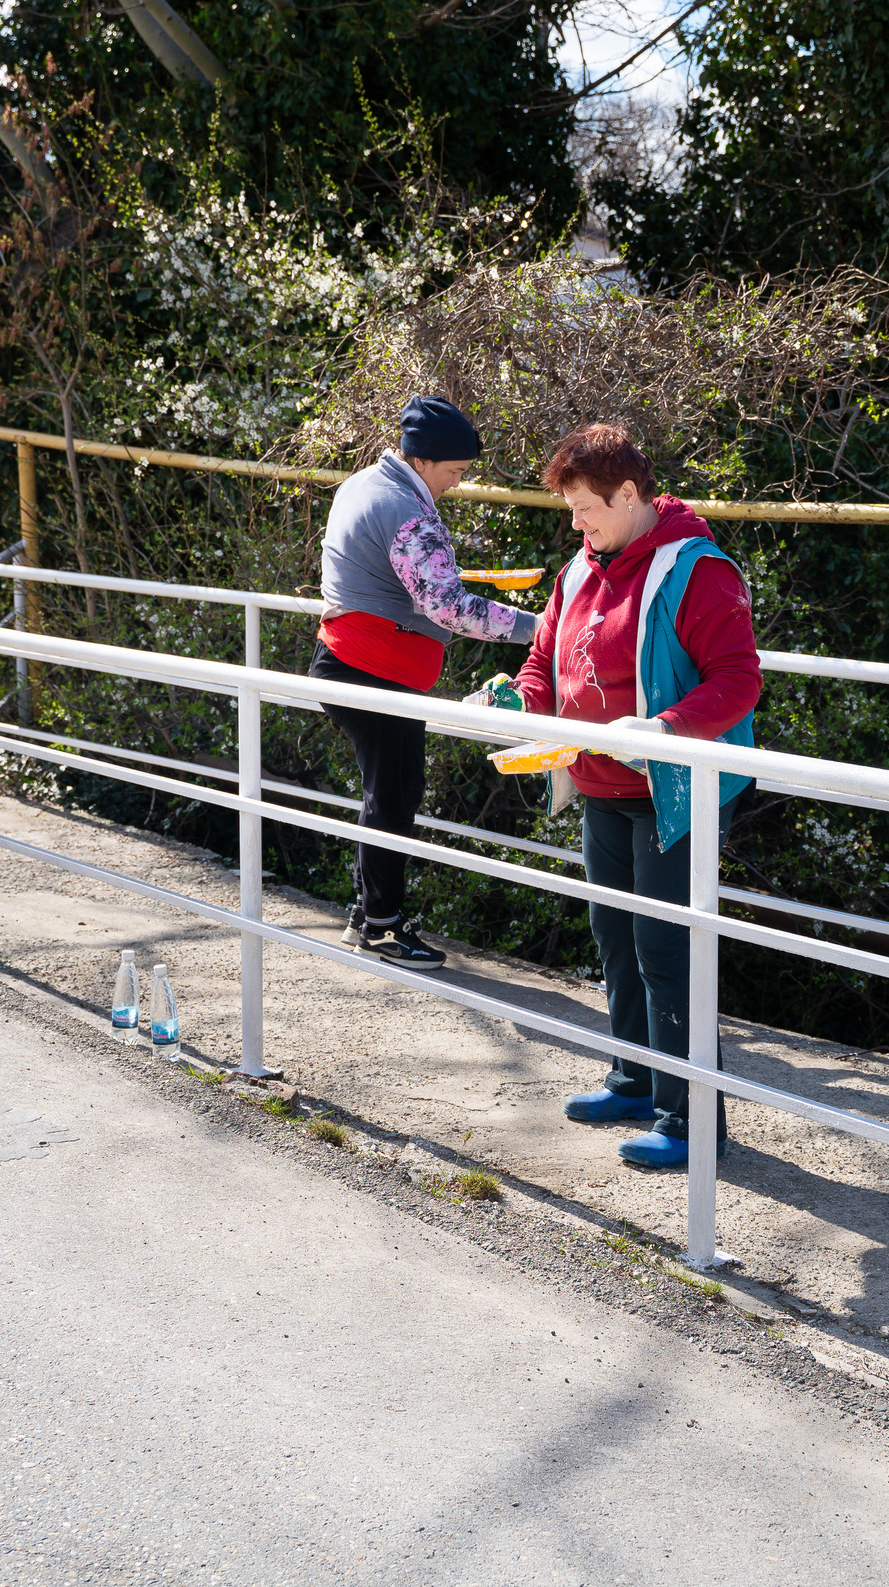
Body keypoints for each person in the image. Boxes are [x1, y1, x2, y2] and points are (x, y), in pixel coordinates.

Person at [508, 424, 762, 1170]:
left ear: (629, 496)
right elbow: (541, 660)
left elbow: (738, 683)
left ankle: (691, 1118)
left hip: (672, 792)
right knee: (614, 935)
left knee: (667, 950)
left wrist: (659, 729)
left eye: (586, 508)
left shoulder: (700, 571)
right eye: (571, 510)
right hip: (600, 784)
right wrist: (518, 703)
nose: (577, 524)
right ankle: (633, 1077)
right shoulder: (578, 569)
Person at [312, 395, 537, 969]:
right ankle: (383, 928)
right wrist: (540, 629)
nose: (457, 484)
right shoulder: (407, 512)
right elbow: (447, 607)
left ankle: (368, 915)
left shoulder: (361, 484)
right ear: (427, 460)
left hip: (345, 657)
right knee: (394, 795)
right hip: (374, 669)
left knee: (386, 791)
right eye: (457, 472)